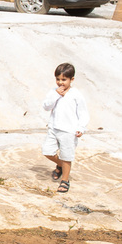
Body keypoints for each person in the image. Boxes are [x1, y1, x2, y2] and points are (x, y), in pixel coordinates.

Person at [41, 62, 89, 194]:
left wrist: (81, 127)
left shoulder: (76, 94)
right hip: (54, 128)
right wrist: (56, 95)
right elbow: (46, 106)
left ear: (71, 79)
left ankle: (65, 180)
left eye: (64, 79)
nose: (60, 82)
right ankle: (61, 165)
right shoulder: (53, 92)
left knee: (67, 155)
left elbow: (83, 113)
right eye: (58, 79)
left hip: (69, 131)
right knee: (47, 151)